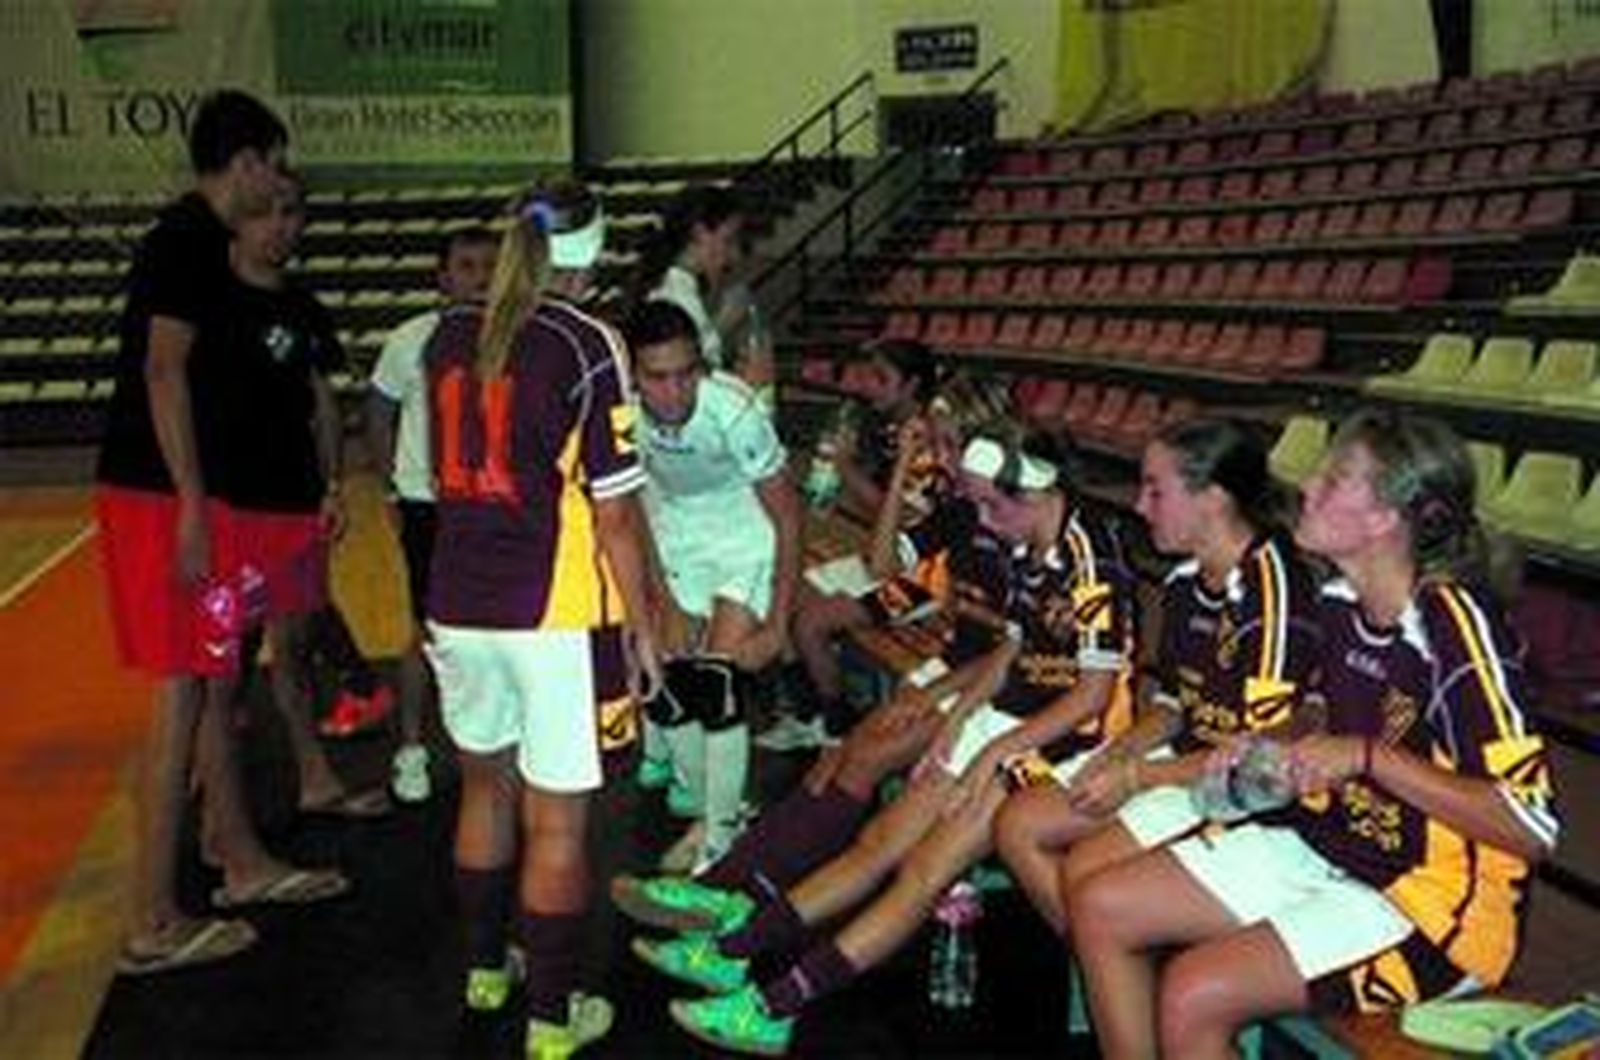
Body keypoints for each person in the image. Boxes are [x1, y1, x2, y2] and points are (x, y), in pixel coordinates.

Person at [1068, 410, 1560, 1060]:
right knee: (1100, 903)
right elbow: (1326, 706)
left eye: (1333, 481)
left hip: (1434, 907)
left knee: (1194, 990)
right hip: (1330, 842)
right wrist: (1278, 736)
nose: (1308, 488)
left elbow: (1531, 826)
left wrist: (1365, 758)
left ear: (1386, 519)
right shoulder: (1336, 599)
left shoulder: (1456, 626)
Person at [656, 425, 1140, 1056]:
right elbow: (1014, 650)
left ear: (1032, 493)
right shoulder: (1029, 541)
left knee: (920, 873)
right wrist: (960, 720)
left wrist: (992, 752)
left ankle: (776, 1007)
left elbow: (1093, 698)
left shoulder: (1092, 559)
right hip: (1008, 720)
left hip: (1066, 744)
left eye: (994, 506)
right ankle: (732, 951)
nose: (984, 523)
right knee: (879, 840)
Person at [609, 402, 1015, 937]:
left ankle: (738, 908)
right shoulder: (967, 508)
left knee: (859, 766)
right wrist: (902, 468)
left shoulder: (1031, 532)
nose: (946, 461)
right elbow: (880, 565)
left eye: (951, 447)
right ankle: (726, 884)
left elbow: (1014, 655)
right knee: (835, 760)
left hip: (985, 685)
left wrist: (944, 694)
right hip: (956, 667)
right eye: (940, 448)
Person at [95, 90, 333, 974]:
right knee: (183, 691)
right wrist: (193, 503)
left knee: (207, 677)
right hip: (163, 502)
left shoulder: (198, 243)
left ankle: (235, 856)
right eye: (273, 164)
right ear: (245, 161)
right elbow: (162, 372)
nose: (278, 183)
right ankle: (150, 919)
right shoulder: (185, 241)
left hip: (194, 503)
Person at [423, 180, 661, 1058]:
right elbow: (616, 515)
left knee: (485, 789)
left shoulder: (448, 331)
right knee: (559, 823)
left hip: (457, 602)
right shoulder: (589, 341)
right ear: (592, 251)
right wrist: (642, 626)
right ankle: (554, 1023)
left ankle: (488, 971)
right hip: (554, 613)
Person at [995, 417, 1322, 935]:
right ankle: (1117, 964)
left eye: (1156, 490)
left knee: (1086, 873)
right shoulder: (1184, 582)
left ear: (1212, 498)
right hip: (1186, 763)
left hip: (1245, 797)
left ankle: (1127, 961)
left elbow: (1261, 765)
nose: (1140, 505)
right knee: (1017, 824)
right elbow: (1172, 705)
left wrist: (1135, 778)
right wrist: (1117, 753)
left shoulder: (1275, 589)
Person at [213, 174, 388, 827]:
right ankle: (215, 797)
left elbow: (320, 402)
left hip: (291, 509)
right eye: (265, 214)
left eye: (292, 213)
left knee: (291, 647)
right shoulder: (207, 307)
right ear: (237, 222)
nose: (281, 227)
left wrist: (333, 485)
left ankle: (315, 778)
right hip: (225, 515)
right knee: (219, 659)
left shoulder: (303, 309)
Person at [625, 300, 801, 874]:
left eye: (685, 373)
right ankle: (715, 811)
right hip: (673, 526)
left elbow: (786, 517)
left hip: (744, 525)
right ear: (633, 374)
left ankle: (720, 841)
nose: (674, 391)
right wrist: (663, 602)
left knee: (716, 677)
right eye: (657, 377)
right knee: (666, 681)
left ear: (701, 365)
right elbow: (632, 507)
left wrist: (778, 622)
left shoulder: (735, 410)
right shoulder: (620, 412)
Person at [365, 224, 498, 802]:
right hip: (428, 504)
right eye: (467, 266)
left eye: (491, 265)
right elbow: (378, 414)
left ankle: (494, 746)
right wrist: (392, 489)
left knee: (497, 628)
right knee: (426, 629)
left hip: (493, 507)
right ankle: (412, 747)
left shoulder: (514, 338)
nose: (481, 277)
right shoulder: (410, 339)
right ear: (443, 276)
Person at [633, 183, 771, 390]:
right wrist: (724, 322)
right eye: (728, 240)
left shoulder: (685, 288)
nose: (733, 255)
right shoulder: (670, 294)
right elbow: (685, 377)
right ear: (699, 233)